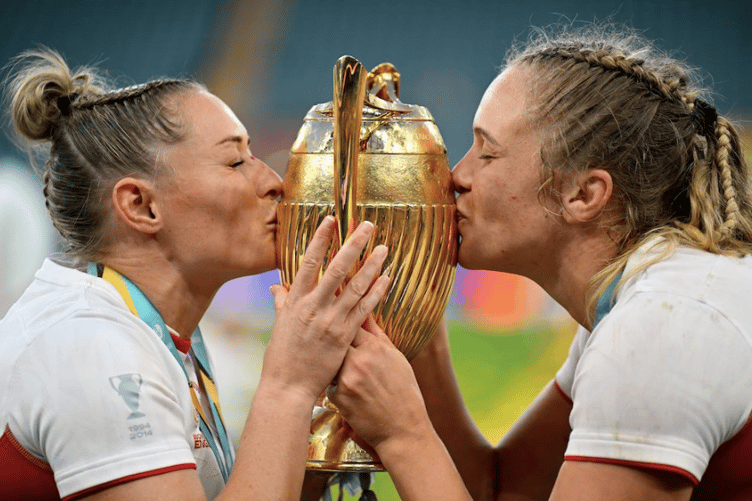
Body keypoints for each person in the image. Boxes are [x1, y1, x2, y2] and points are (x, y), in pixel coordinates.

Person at [327, 22, 752, 501]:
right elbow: (502, 490)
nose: (456, 177)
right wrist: (414, 316)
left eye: (487, 152)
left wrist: (402, 435)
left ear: (582, 194)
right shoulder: (643, 299)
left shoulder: (663, 326)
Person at [0, 48, 390, 501]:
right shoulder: (90, 344)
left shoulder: (149, 329)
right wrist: (290, 384)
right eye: (235, 162)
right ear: (141, 206)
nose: (273, 182)